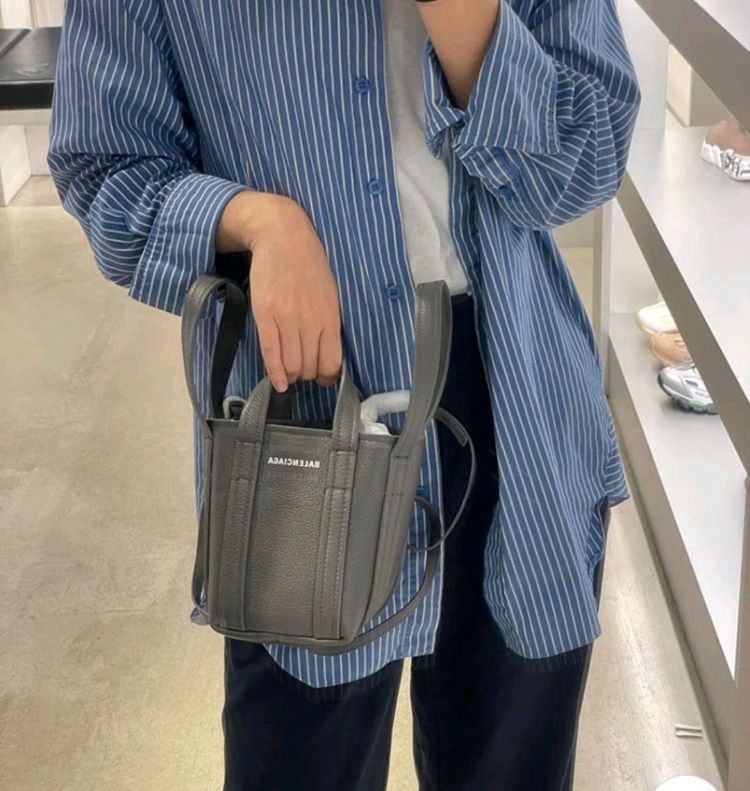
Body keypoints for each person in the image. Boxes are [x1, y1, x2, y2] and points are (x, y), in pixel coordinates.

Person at [47, 0, 641, 788]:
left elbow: (588, 154)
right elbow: (106, 167)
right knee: (300, 754)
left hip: (516, 389)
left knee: (511, 753)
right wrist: (256, 222)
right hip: (304, 394)